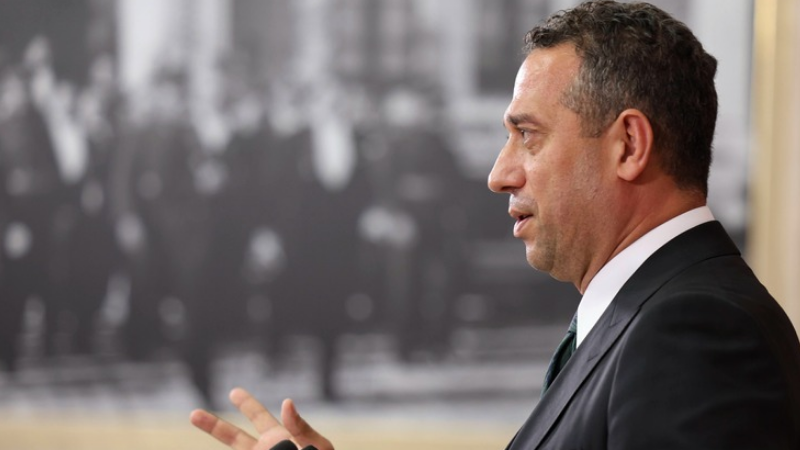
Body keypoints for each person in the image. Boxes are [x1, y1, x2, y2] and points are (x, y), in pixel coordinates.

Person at [190, 1, 800, 449]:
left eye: (527, 136)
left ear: (628, 146)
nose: (499, 175)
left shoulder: (692, 330)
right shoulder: (654, 312)